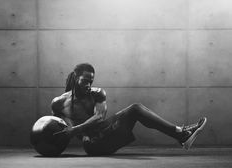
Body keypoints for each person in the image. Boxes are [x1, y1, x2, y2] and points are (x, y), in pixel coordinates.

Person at [51, 63, 207, 156]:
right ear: (75, 77)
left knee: (136, 109)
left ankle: (181, 133)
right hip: (92, 145)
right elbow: (59, 128)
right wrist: (74, 135)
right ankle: (182, 134)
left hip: (106, 133)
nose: (89, 85)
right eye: (85, 81)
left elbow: (99, 117)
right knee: (135, 109)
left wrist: (75, 130)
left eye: (91, 81)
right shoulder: (59, 103)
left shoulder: (97, 93)